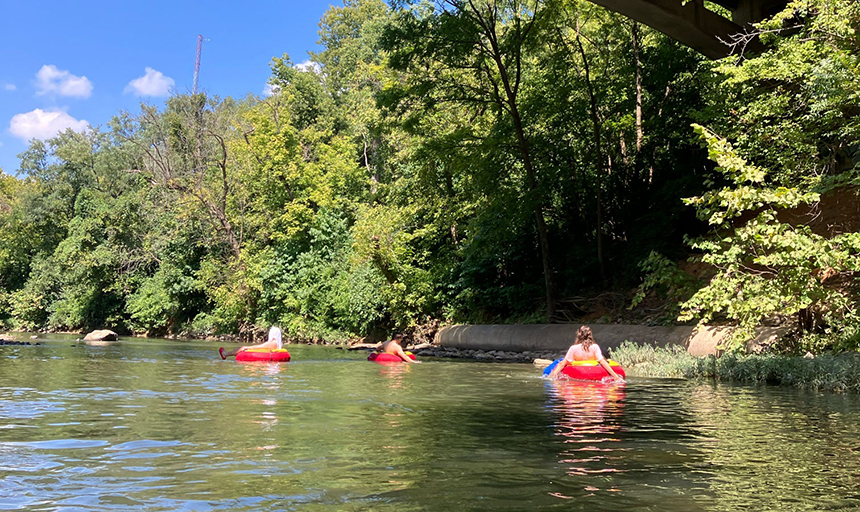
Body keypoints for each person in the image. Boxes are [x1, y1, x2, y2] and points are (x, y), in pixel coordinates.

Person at [548, 325, 624, 382]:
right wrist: (615, 376)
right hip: (596, 374)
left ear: (578, 336)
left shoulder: (573, 348)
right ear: (590, 335)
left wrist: (552, 376)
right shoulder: (595, 347)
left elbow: (562, 364)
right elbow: (602, 361)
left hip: (579, 374)